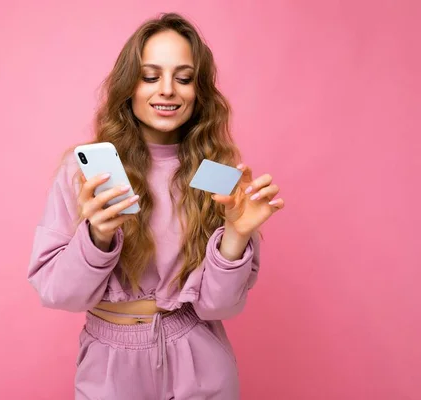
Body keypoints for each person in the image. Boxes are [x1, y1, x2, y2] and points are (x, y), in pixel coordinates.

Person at [28, 12, 284, 400]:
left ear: (199, 91)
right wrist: (97, 236)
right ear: (128, 85)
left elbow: (220, 308)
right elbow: (59, 294)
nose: (167, 90)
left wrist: (236, 235)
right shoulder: (87, 173)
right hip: (110, 366)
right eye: (150, 76)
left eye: (183, 78)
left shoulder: (217, 175)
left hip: (199, 359)